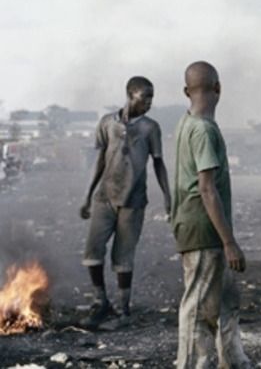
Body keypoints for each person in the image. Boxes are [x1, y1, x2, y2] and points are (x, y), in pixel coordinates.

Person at [171, 61, 251, 369]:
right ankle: (190, 364)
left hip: (197, 226)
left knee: (226, 299)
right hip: (204, 229)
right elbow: (206, 189)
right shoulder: (203, 130)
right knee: (197, 304)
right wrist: (229, 242)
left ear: (186, 91)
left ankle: (233, 360)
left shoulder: (185, 123)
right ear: (217, 88)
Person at [79, 76, 170, 329]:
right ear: (131, 95)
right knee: (93, 251)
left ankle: (123, 310)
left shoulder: (150, 128)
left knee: (123, 256)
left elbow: (158, 163)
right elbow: (99, 160)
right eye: (145, 97)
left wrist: (167, 196)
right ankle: (100, 302)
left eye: (152, 98)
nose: (149, 103)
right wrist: (87, 196)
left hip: (133, 200)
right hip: (104, 197)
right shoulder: (107, 123)